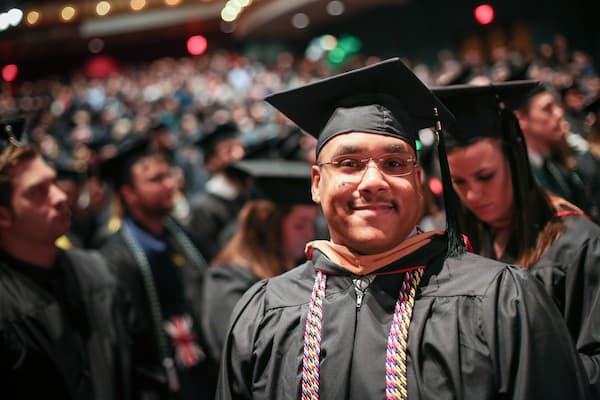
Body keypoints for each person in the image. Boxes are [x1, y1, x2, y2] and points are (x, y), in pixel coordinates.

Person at [217, 58, 591, 399]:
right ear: (316, 182)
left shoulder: (501, 301)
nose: (373, 181)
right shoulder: (263, 313)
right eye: (349, 163)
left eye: (395, 163)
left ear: (417, 180)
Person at [434, 81, 600, 396]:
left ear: (516, 161)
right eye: (458, 181)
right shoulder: (460, 246)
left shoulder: (580, 244)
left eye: (486, 176)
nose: (473, 195)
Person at [0, 117, 133, 399]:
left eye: (53, 182)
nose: (60, 196)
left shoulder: (98, 270)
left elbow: (140, 373)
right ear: (3, 215)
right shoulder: (6, 312)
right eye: (38, 191)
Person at [98, 137, 216, 400]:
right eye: (155, 180)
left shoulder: (180, 236)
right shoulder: (116, 258)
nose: (170, 185)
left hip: (203, 371)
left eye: (168, 175)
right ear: (128, 193)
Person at [201, 159, 319, 365]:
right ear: (267, 226)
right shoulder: (229, 281)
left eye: (311, 223)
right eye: (300, 225)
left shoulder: (299, 266)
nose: (310, 234)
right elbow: (246, 357)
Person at [514, 84, 588, 209]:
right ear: (521, 119)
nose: (559, 113)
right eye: (547, 109)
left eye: (556, 106)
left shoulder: (553, 164)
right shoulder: (519, 178)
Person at [186, 121, 248, 262]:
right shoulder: (204, 207)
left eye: (240, 147)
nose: (240, 154)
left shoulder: (248, 194)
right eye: (229, 150)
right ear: (212, 162)